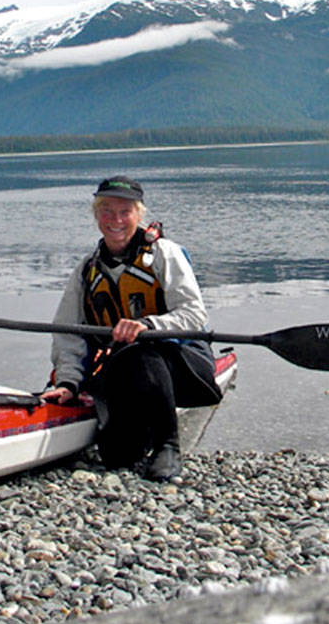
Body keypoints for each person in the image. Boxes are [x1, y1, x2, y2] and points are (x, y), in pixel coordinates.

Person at [40, 177, 222, 481]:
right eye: (107, 211)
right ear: (96, 215)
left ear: (139, 215)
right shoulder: (88, 269)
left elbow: (194, 314)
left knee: (141, 351)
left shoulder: (165, 253)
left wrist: (148, 325)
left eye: (125, 212)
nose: (116, 220)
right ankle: (141, 428)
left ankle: (168, 445)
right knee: (117, 455)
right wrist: (69, 383)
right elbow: (69, 333)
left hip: (184, 366)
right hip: (125, 371)